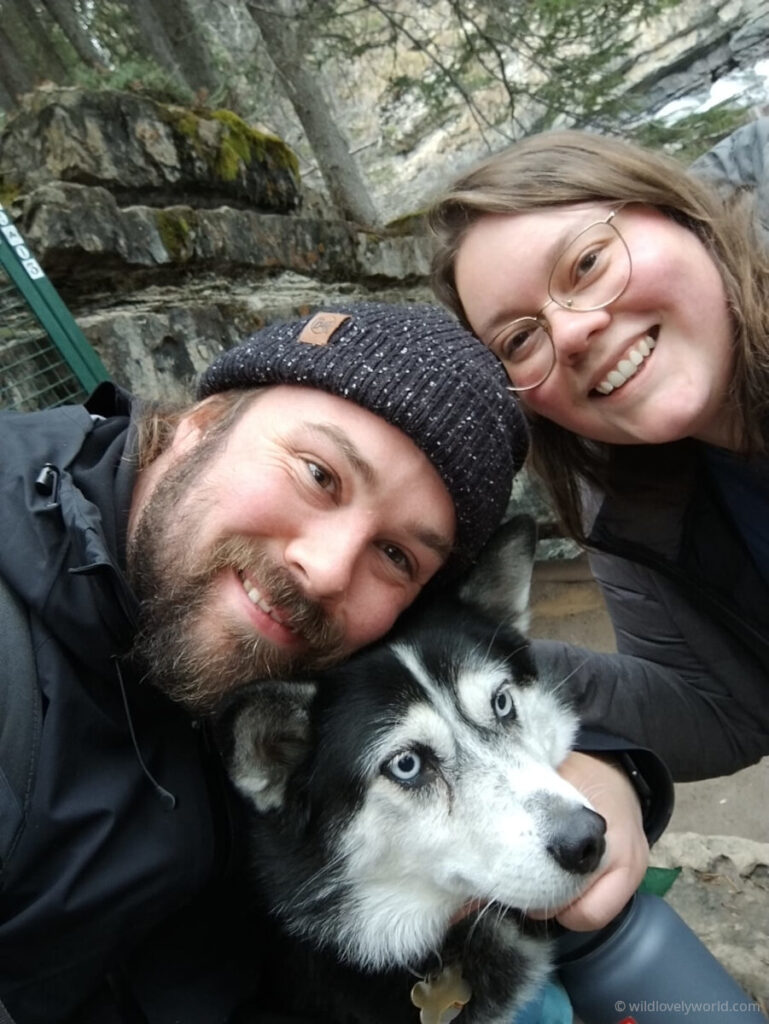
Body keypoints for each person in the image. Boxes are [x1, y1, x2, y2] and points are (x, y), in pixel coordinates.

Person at [1, 301, 533, 1024]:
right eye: (319, 474)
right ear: (198, 427)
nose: (326, 568)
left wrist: (613, 772)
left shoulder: (309, 641)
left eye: (395, 554)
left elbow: (487, 674)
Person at [427, 119, 769, 932]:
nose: (573, 330)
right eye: (520, 339)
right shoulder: (635, 501)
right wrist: (462, 668)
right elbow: (718, 709)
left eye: (585, 263)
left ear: (678, 211)